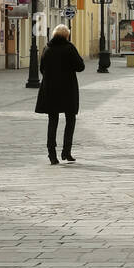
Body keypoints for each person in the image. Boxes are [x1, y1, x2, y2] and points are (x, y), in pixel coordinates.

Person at [34, 24, 86, 164]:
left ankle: (52, 154)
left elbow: (42, 68)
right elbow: (80, 66)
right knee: (70, 120)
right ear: (66, 35)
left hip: (50, 90)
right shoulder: (69, 48)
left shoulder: (47, 48)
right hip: (68, 89)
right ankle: (66, 152)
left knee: (53, 121)